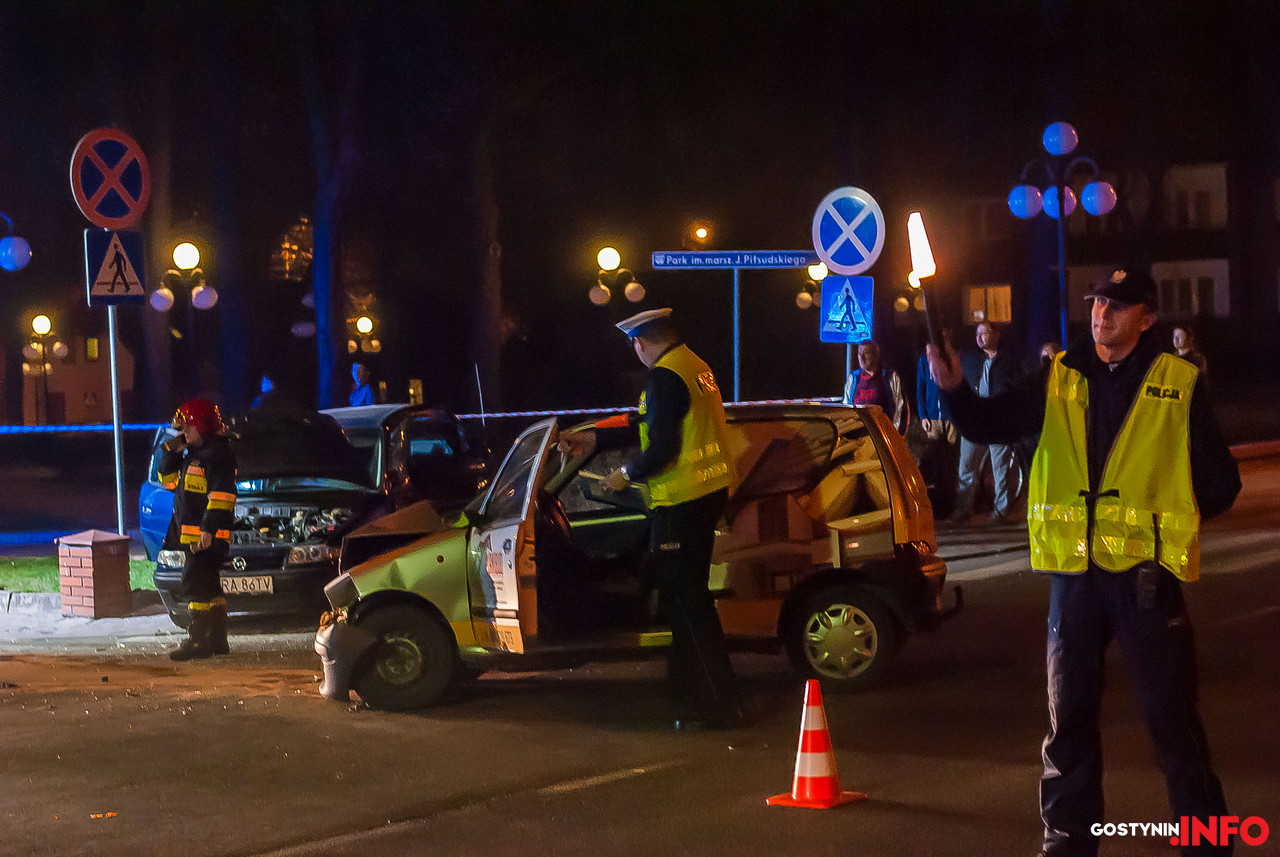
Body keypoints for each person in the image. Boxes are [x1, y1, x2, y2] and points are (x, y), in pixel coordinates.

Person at [926, 268, 1241, 857]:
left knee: (1173, 724)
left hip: (1146, 579)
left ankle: (1209, 845)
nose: (1102, 314)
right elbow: (987, 424)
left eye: (1118, 306)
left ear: (1147, 317)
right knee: (1067, 725)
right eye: (1098, 302)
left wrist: (1158, 509)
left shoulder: (1179, 381)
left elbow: (1221, 484)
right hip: (1074, 579)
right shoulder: (1060, 375)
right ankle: (1067, 844)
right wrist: (953, 389)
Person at [559, 308, 743, 731]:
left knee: (686, 604)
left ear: (641, 343)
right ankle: (687, 692)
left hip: (680, 501)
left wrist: (622, 476)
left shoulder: (663, 375)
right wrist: (594, 437)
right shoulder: (693, 366)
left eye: (635, 347)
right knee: (687, 599)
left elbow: (660, 448)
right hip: (705, 494)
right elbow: (647, 422)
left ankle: (718, 704)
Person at [156, 398, 238, 661]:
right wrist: (171, 452)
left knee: (196, 586)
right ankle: (217, 640)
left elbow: (222, 496)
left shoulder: (217, 455)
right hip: (195, 535)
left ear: (201, 426)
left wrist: (209, 529)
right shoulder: (194, 455)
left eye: (187, 427)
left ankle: (197, 642)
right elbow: (169, 483)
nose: (183, 432)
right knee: (210, 587)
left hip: (205, 536)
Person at [951, 321, 1024, 525]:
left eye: (984, 333)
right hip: (974, 419)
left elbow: (1017, 389)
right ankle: (963, 509)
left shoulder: (1008, 361)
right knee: (966, 466)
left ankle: (1001, 513)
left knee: (1000, 468)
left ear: (996, 335)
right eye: (977, 333)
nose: (980, 337)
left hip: (997, 421)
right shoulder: (970, 359)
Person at [916, 328, 959, 518]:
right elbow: (920, 388)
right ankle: (940, 501)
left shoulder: (952, 359)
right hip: (932, 417)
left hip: (950, 418)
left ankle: (952, 499)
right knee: (936, 458)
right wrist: (923, 415)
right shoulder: (924, 362)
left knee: (951, 458)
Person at [843, 338, 909, 435]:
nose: (862, 357)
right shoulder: (853, 378)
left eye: (866, 353)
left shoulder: (889, 377)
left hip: (881, 435)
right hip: (859, 435)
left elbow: (899, 407)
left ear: (876, 355)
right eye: (859, 353)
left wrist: (895, 434)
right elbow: (846, 407)